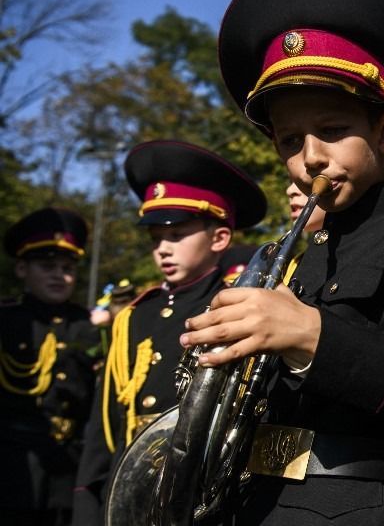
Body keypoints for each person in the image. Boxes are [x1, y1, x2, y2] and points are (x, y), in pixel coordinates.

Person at [182, 0, 384, 526]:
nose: (310, 157)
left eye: (333, 129)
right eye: (291, 139)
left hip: (350, 506)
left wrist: (307, 333)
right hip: (244, 503)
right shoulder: (281, 253)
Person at [71, 139, 267, 525]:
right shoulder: (133, 317)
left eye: (176, 235)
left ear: (219, 238)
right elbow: (103, 426)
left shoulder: (235, 307)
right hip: (130, 485)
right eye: (155, 237)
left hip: (198, 491)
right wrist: (87, 499)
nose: (162, 248)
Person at [1, 207, 100, 526]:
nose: (59, 275)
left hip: (68, 467)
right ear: (21, 269)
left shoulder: (88, 327)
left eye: (68, 268)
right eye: (47, 266)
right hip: (11, 461)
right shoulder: (7, 320)